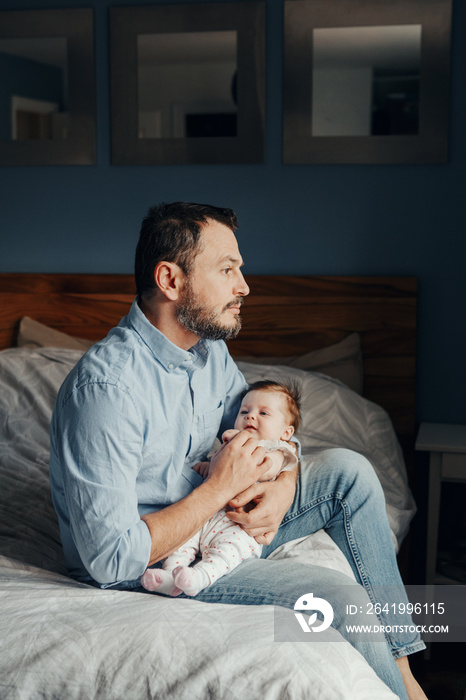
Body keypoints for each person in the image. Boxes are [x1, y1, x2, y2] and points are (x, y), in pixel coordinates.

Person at [49, 201, 427, 700]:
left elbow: (264, 431)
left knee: (350, 473)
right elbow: (108, 559)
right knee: (337, 595)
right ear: (171, 280)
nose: (244, 285)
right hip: (156, 561)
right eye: (227, 269)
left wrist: (286, 484)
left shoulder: (209, 352)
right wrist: (220, 488)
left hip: (220, 519)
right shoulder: (105, 390)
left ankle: (406, 677)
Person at [140, 380, 300, 597]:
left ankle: (198, 578)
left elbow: (266, 469)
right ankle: (169, 578)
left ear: (286, 432)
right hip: (206, 516)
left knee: (226, 554)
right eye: (245, 411)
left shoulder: (278, 450)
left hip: (238, 526)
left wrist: (236, 443)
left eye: (264, 413)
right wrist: (207, 467)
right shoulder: (230, 445)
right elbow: (220, 470)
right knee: (182, 542)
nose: (250, 416)